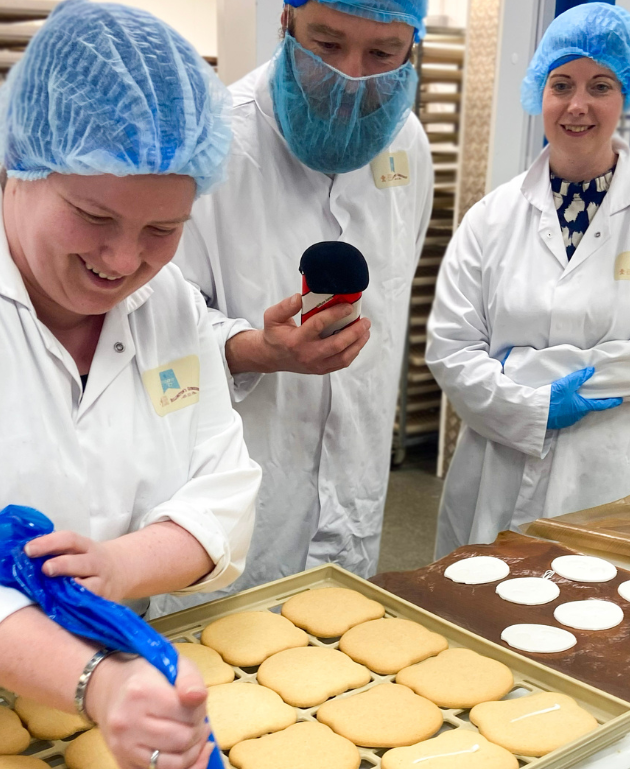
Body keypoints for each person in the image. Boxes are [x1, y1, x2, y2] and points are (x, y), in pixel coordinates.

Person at [0, 0, 261, 769]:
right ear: (21, 161)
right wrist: (93, 681)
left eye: (163, 229)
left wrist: (117, 566)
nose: (123, 261)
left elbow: (224, 488)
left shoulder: (171, 303)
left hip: (124, 709)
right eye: (93, 215)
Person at [156, 0, 433, 613]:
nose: (352, 78)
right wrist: (255, 348)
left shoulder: (406, 144)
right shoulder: (214, 142)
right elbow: (153, 320)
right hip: (234, 491)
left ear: (412, 47)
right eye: (328, 45)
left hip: (355, 488)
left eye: (382, 54)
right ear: (286, 24)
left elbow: (393, 290)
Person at [426, 3, 630, 559]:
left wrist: (523, 368)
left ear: (624, 96)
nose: (578, 105)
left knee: (592, 627)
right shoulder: (490, 216)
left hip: (607, 479)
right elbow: (450, 349)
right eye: (562, 84)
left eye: (599, 85)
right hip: (496, 469)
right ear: (540, 92)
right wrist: (532, 407)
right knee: (475, 619)